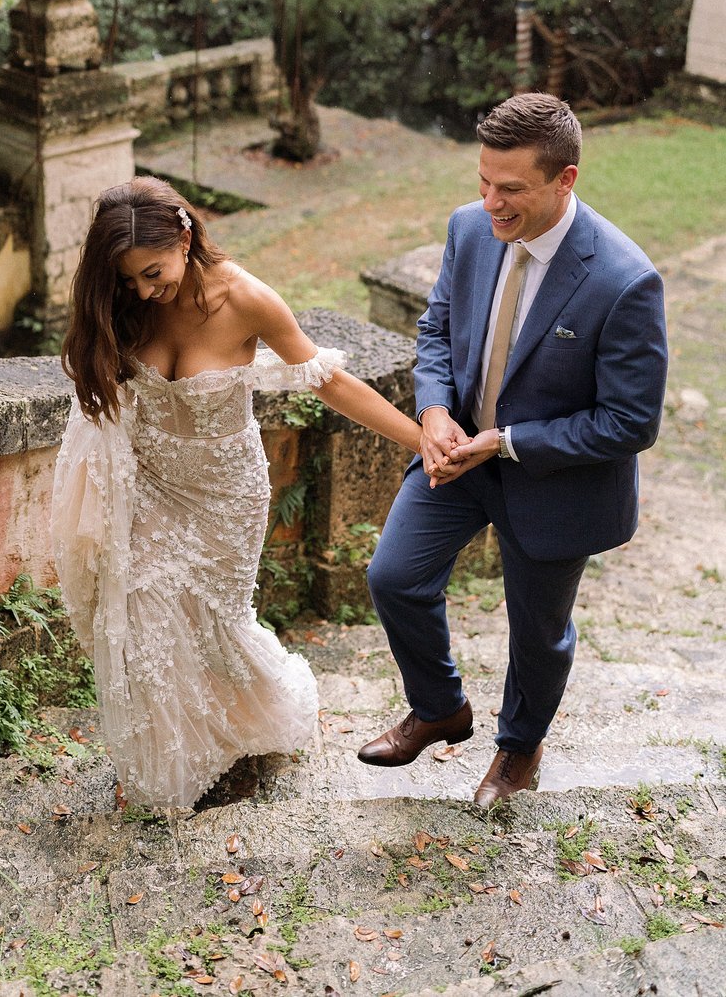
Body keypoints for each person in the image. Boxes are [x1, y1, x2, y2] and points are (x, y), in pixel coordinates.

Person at [52, 175, 423, 811]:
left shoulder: (248, 300)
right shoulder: (128, 303)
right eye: (128, 279)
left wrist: (420, 441)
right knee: (142, 616)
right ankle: (170, 765)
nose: (143, 289)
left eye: (152, 271)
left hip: (226, 497)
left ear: (185, 234)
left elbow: (326, 381)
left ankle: (246, 726)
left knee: (216, 628)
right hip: (150, 487)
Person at [360, 93, 668, 807]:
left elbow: (630, 421)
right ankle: (439, 707)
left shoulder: (625, 280)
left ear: (565, 179)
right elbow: (436, 329)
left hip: (557, 478)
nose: (491, 202)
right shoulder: (469, 229)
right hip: (458, 455)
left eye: (511, 189)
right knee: (394, 576)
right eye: (484, 181)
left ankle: (518, 747)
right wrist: (434, 410)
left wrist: (508, 441)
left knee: (536, 634)